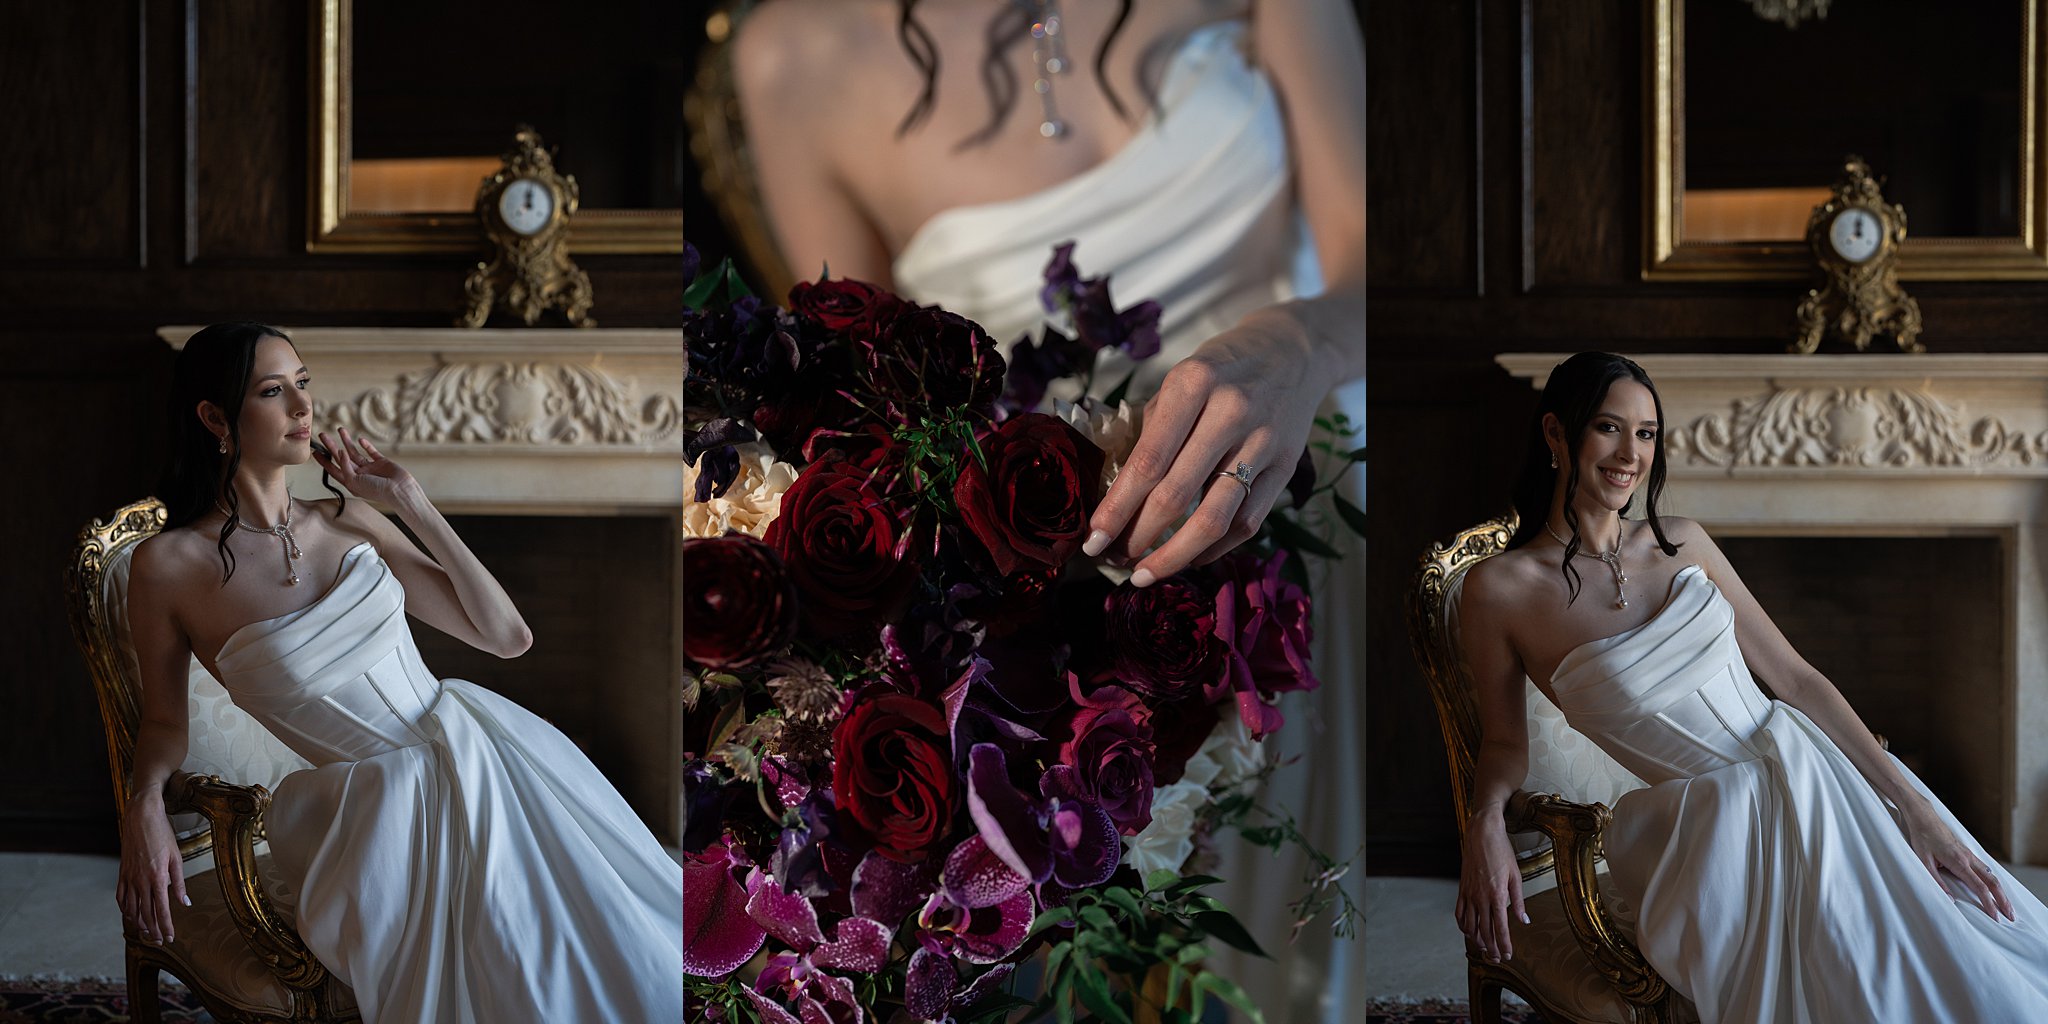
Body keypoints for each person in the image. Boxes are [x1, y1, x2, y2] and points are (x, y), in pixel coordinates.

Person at [732, 1, 1366, 1018]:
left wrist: (1298, 343)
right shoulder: (792, 54)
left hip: (1319, 494)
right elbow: (863, 418)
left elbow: (1380, 268)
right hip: (1062, 602)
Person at [1454, 351, 2048, 1022]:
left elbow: (1796, 678)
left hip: (1815, 778)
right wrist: (1484, 824)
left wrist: (1917, 811)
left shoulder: (1684, 542)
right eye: (1609, 428)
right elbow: (1505, 742)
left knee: (1963, 950)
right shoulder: (1499, 591)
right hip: (1709, 832)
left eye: (1647, 433)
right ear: (1557, 434)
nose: (1630, 453)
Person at [116, 323, 683, 1023]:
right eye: (272, 390)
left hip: (484, 754)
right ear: (213, 417)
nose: (302, 407)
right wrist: (144, 802)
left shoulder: (350, 519)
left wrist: (410, 501)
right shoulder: (167, 567)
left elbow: (507, 636)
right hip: (373, 815)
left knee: (601, 946)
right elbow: (167, 721)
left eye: (304, 382)